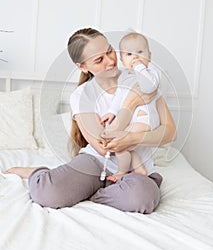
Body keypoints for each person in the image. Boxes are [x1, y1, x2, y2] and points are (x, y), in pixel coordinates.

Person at [4, 28, 176, 214]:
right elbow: (104, 146)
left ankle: (96, 194)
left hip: (135, 168)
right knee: (48, 193)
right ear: (82, 67)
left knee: (142, 199)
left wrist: (133, 139)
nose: (111, 61)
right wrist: (130, 105)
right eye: (99, 59)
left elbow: (170, 132)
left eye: (110, 51)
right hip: (94, 162)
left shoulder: (143, 81)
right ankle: (39, 173)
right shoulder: (83, 95)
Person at [100, 32, 161, 182]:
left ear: (150, 55)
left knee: (121, 143)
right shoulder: (124, 76)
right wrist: (111, 112)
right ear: (122, 60)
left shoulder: (152, 73)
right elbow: (119, 97)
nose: (135, 57)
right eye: (129, 54)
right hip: (132, 121)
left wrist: (139, 67)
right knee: (120, 145)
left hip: (145, 119)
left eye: (140, 52)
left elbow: (147, 87)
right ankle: (138, 167)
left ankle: (122, 172)